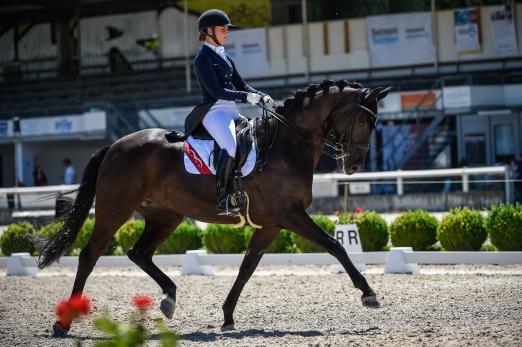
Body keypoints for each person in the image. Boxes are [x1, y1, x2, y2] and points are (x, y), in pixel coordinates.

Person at [184, 9, 276, 216]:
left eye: (227, 29)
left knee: (254, 138)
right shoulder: (202, 59)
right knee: (230, 145)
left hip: (231, 110)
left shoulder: (225, 57)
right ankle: (224, 197)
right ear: (208, 31)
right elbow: (216, 91)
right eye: (223, 29)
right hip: (214, 111)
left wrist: (261, 96)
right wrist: (246, 98)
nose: (227, 32)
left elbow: (241, 85)